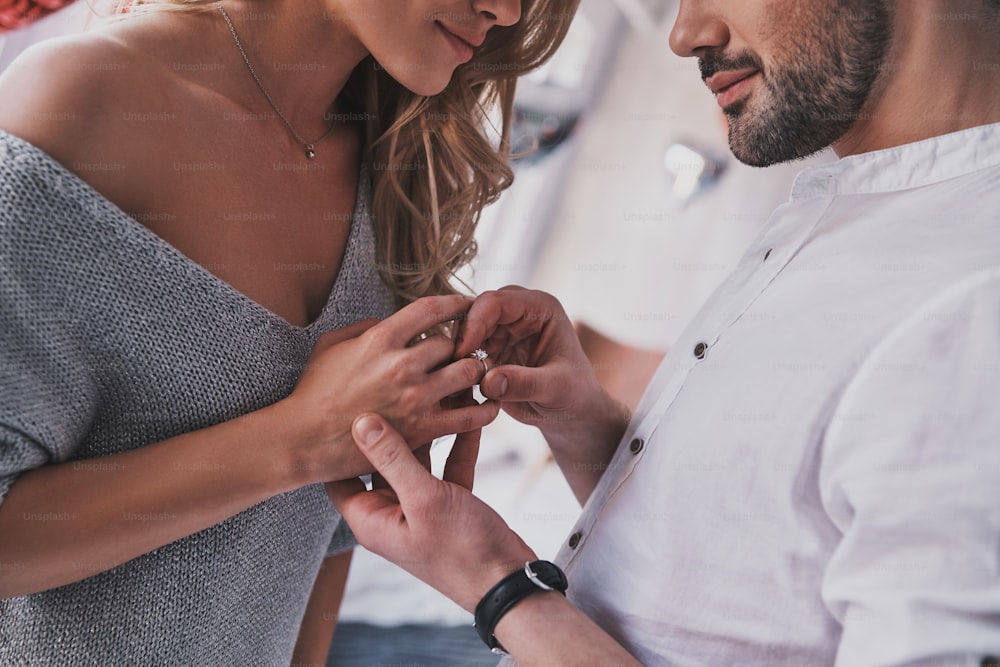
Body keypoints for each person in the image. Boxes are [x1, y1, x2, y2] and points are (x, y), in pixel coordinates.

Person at [330, 0, 1000, 664]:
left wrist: (498, 586)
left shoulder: (974, 294)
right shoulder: (858, 205)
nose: (686, 35)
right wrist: (587, 426)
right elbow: (751, 579)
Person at [0, 0, 579, 663]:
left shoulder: (392, 163)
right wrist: (299, 438)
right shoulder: (80, 103)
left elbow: (318, 542)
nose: (503, 10)